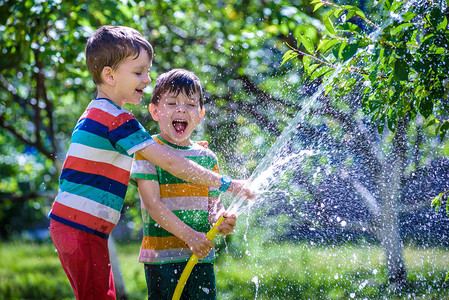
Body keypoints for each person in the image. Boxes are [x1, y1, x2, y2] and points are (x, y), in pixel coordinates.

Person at [48, 26, 253, 300]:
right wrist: (228, 184)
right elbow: (170, 161)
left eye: (147, 71)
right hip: (81, 226)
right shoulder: (115, 119)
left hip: (78, 225)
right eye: (138, 72)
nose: (147, 78)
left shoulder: (99, 112)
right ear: (109, 75)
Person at [131, 68, 238, 300]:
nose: (181, 109)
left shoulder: (207, 158)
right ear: (155, 111)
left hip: (201, 257)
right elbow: (153, 205)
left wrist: (222, 219)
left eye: (190, 104)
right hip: (162, 259)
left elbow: (213, 205)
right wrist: (190, 237)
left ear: (200, 114)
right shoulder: (148, 152)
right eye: (171, 103)